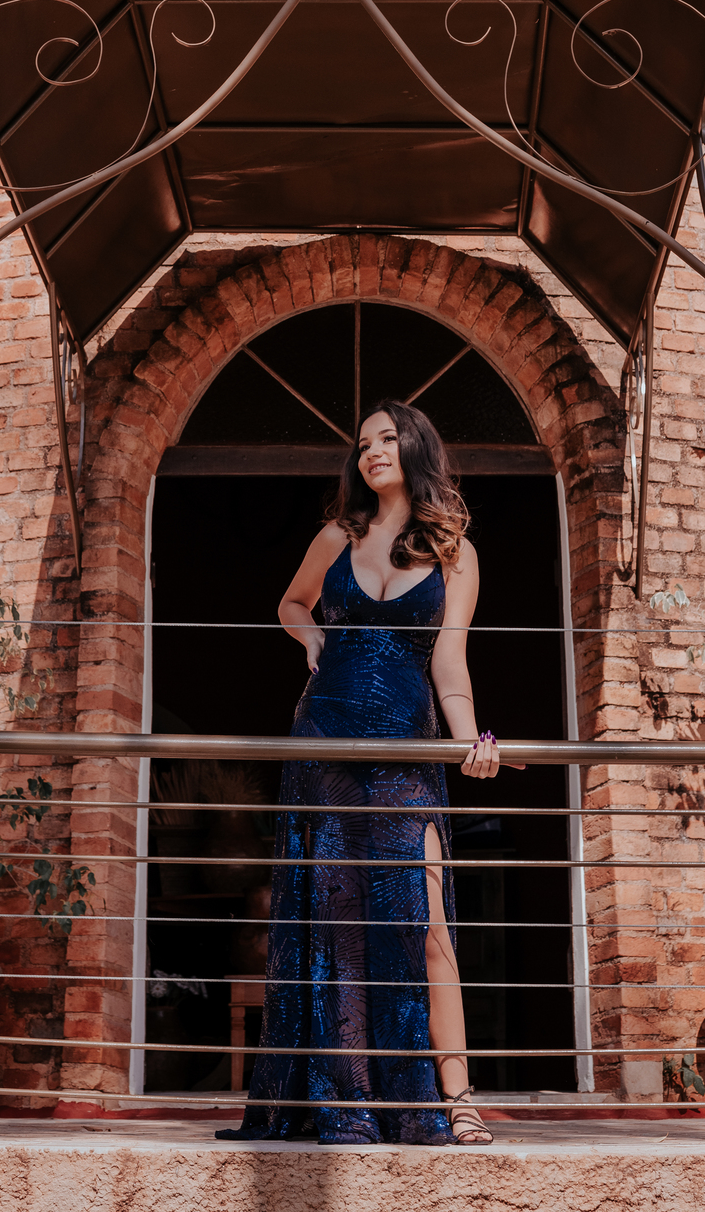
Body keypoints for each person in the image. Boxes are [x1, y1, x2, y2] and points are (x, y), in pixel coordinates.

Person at [217, 399, 515, 1147]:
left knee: (428, 925)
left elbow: (450, 663)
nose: (372, 452)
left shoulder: (454, 553)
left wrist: (469, 741)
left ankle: (456, 1099)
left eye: (387, 438)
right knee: (337, 924)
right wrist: (312, 637)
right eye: (362, 444)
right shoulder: (337, 536)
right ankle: (346, 1096)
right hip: (324, 743)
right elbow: (290, 603)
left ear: (416, 448)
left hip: (407, 750)